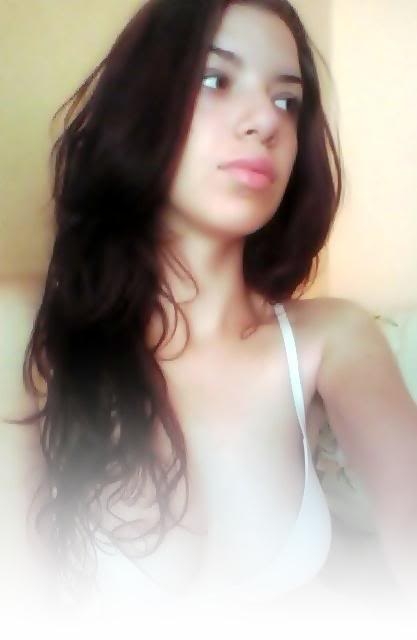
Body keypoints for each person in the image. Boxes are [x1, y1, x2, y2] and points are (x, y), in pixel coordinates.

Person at [1, 0, 417, 629]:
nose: (266, 121)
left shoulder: (333, 337)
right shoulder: (25, 330)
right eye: (216, 80)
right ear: (142, 104)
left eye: (287, 101)